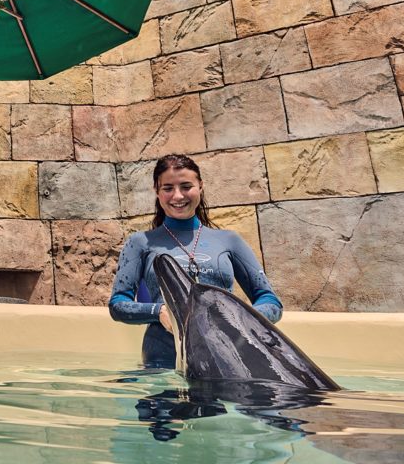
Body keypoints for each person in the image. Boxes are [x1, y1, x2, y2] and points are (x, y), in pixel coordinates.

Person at [109, 154, 283, 368]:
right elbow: (118, 305)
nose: (177, 196)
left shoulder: (229, 240)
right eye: (168, 188)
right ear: (157, 191)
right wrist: (159, 311)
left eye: (186, 186)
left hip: (227, 361)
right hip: (161, 366)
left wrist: (239, 319)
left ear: (200, 186)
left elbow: (270, 300)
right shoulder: (140, 242)